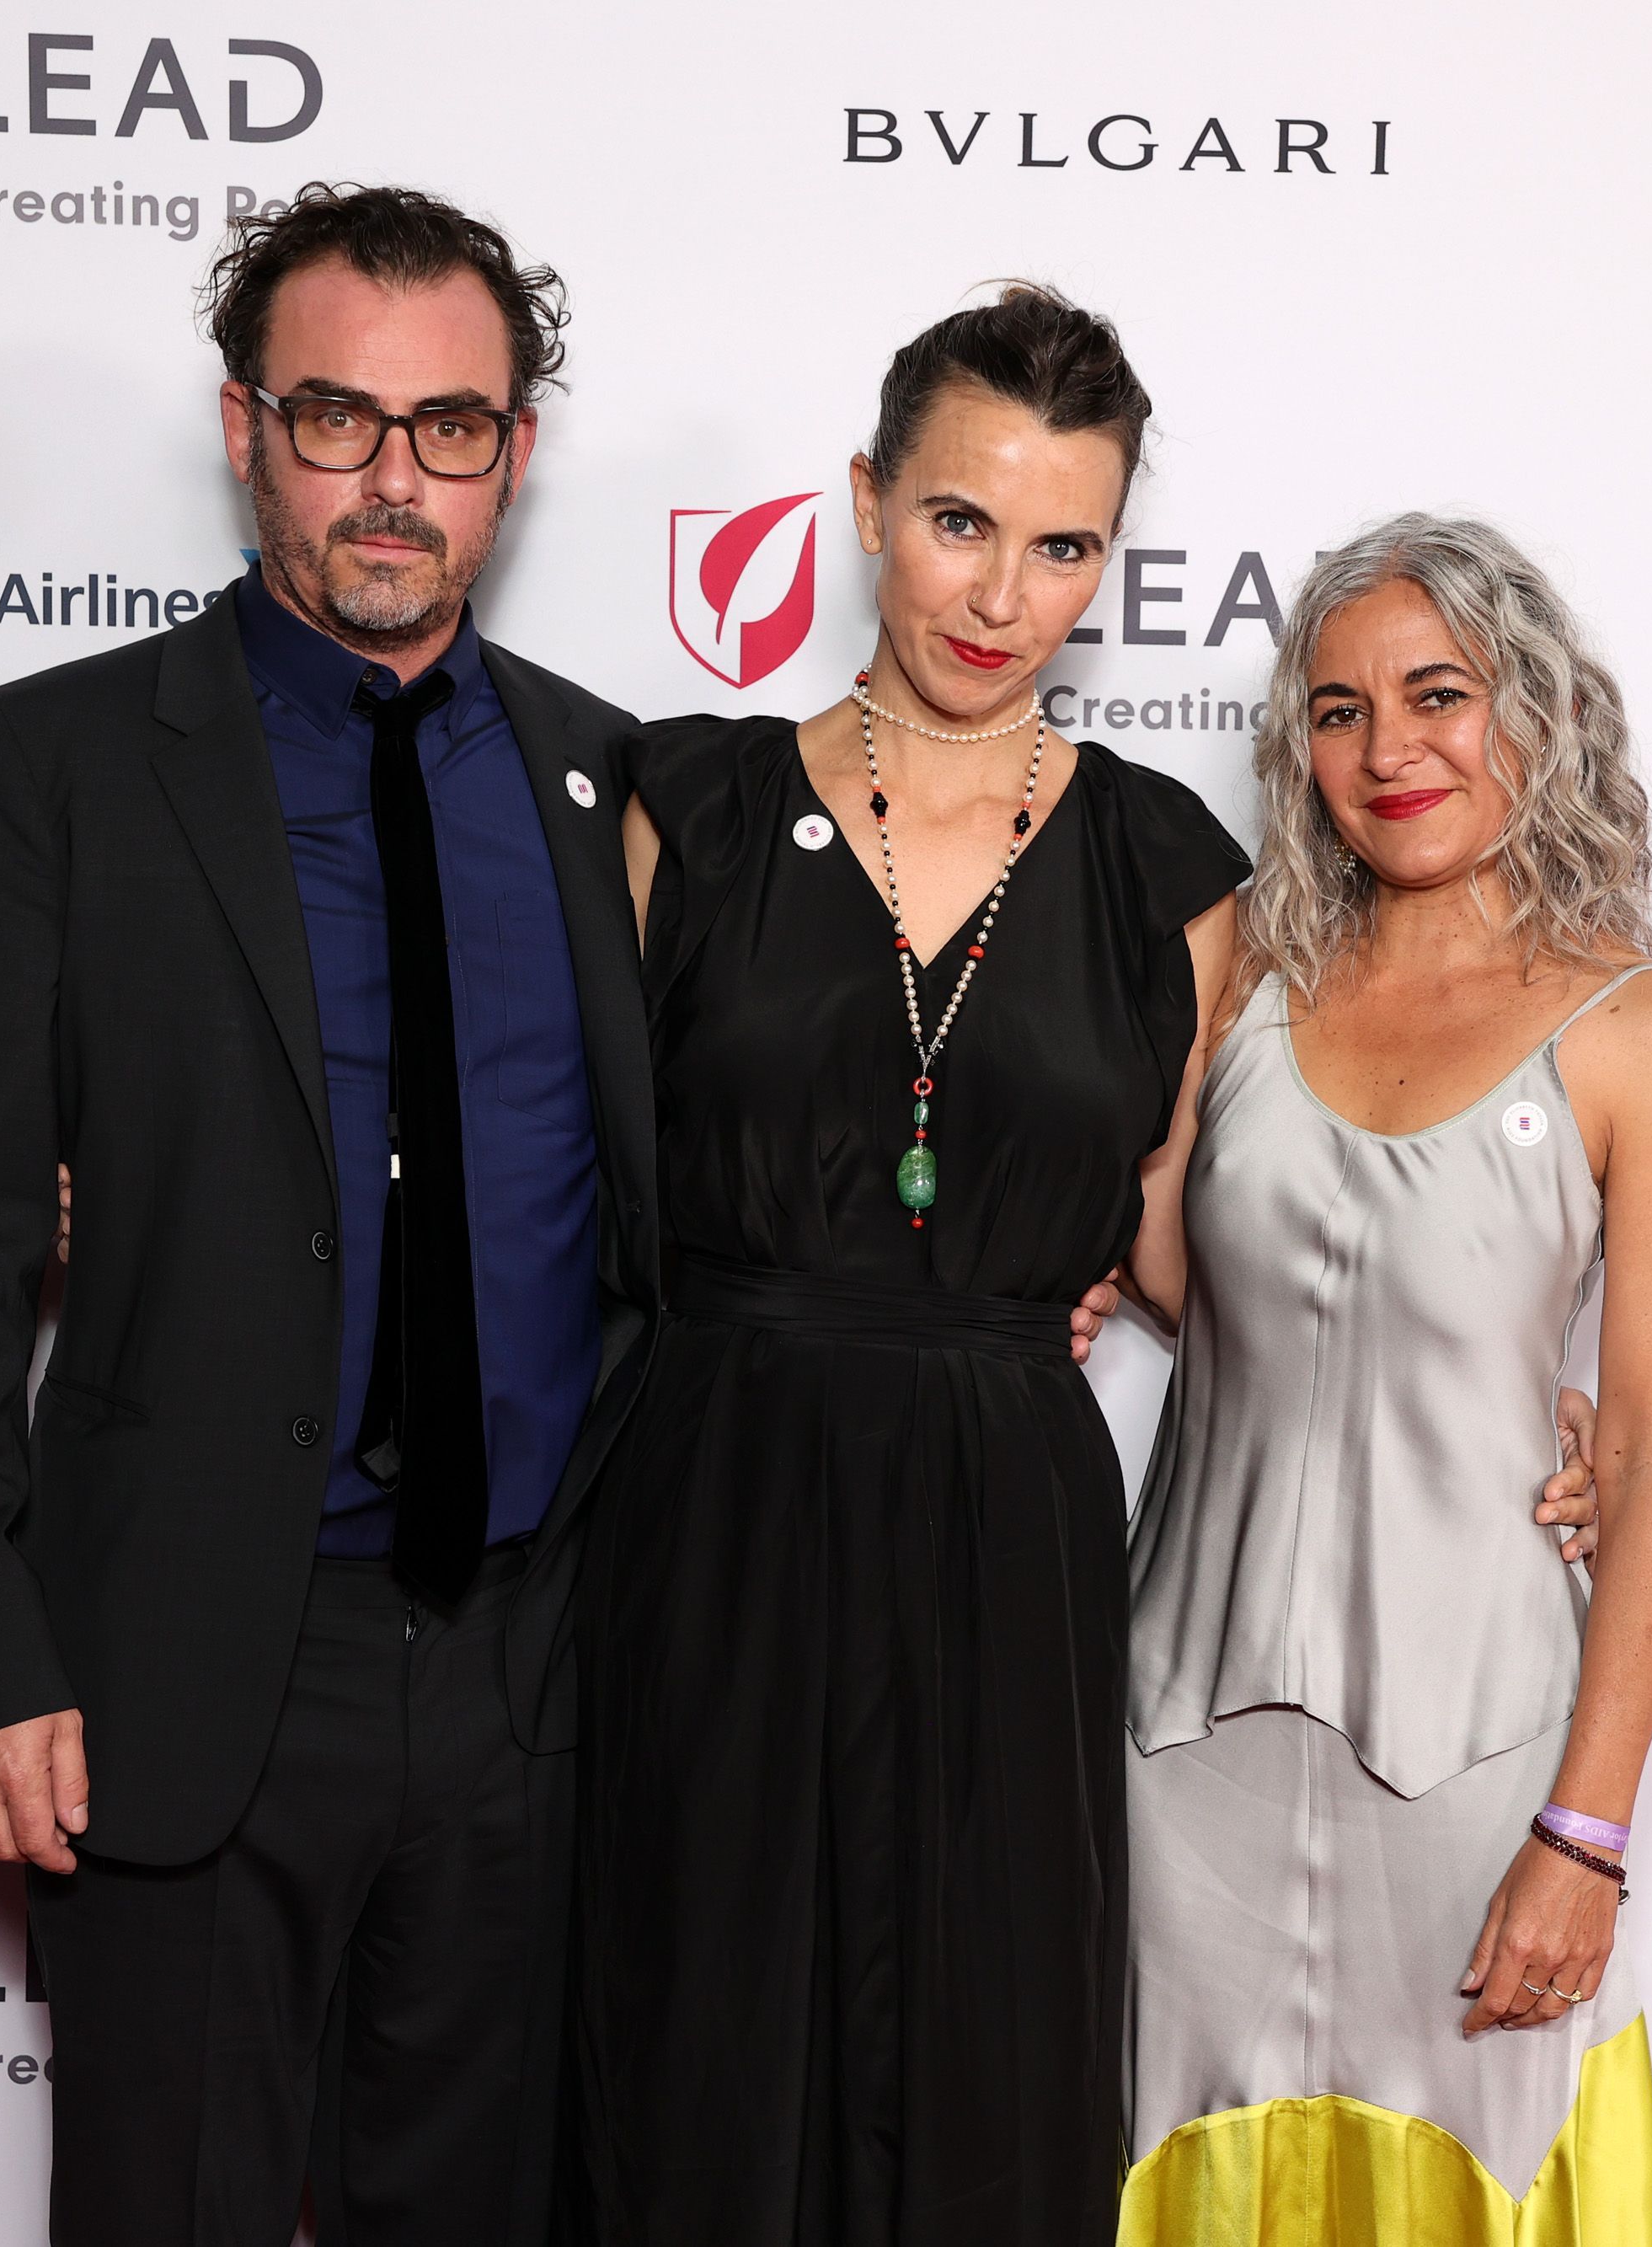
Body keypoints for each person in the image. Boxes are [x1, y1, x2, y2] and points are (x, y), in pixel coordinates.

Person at [0, 183, 653, 2246]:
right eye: (335, 418)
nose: (394, 481)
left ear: (515, 454)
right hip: (190, 1668)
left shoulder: (614, 782)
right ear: (240, 428)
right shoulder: (53, 765)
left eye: (449, 426)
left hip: (529, 1677)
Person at [571, 287, 1250, 2246]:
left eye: (1063, 546)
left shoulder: (1165, 870)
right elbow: (545, 1188)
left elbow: (1208, 1255)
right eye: (962, 522)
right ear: (865, 501)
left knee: (982, 2060)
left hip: (1004, 1530)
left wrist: (1487, 1394)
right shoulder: (676, 807)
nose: (1001, 596)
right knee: (692, 2044)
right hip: (711, 1499)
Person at [1116, 515, 1652, 2243]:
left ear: (1529, 709)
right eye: (1333, 709)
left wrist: (1584, 1833)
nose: (1386, 749)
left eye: (1435, 694)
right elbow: (1169, 1263)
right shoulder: (1233, 963)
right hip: (1181, 1750)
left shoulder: (1640, 1031)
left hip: (1479, 1768)